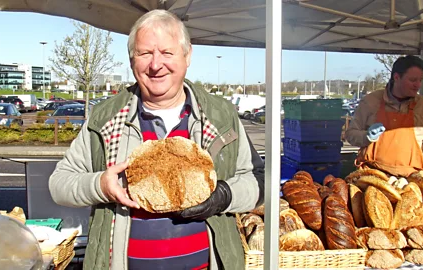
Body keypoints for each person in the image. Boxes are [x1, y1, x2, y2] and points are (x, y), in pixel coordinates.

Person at [49, 9, 264, 270]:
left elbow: (258, 180)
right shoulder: (105, 118)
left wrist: (224, 195)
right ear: (132, 61)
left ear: (187, 56)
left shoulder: (221, 116)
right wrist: (101, 185)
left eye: (167, 52)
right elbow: (59, 184)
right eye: (145, 53)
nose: (155, 64)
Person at [346, 55, 423, 177]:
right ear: (396, 77)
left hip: (413, 179)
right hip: (372, 175)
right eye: (413, 80)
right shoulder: (370, 102)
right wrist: (366, 137)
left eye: (420, 80)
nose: (417, 85)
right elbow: (350, 134)